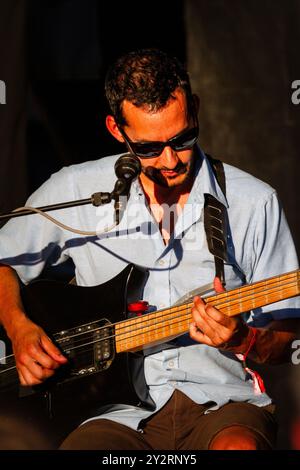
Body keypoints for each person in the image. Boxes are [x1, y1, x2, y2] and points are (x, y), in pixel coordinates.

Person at [0, 48, 299, 450]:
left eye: (183, 139)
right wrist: (20, 329)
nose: (171, 160)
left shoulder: (254, 202)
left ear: (194, 109)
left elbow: (288, 339)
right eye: (148, 148)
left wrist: (243, 340)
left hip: (223, 403)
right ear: (115, 129)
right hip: (112, 413)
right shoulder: (75, 190)